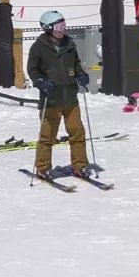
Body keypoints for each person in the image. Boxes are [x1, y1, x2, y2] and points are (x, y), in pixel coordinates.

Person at [27, 10, 89, 179]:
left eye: (64, 25)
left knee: (77, 133)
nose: (63, 29)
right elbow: (32, 70)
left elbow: (76, 65)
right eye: (59, 26)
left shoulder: (69, 44)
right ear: (48, 28)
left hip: (70, 98)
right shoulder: (38, 47)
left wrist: (81, 74)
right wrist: (41, 82)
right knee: (47, 136)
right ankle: (43, 167)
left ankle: (80, 165)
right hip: (51, 99)